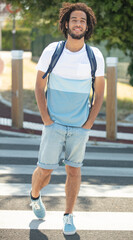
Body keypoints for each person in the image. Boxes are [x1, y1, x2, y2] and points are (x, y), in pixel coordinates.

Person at [30, 2, 105, 235]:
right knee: (45, 172)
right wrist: (46, 119)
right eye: (74, 19)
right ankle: (34, 196)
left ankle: (68, 215)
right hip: (54, 124)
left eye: (82, 20)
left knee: (74, 171)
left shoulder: (95, 56)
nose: (78, 23)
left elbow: (99, 92)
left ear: (87, 25)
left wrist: (89, 124)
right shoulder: (53, 51)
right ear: (66, 23)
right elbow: (39, 86)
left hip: (79, 127)